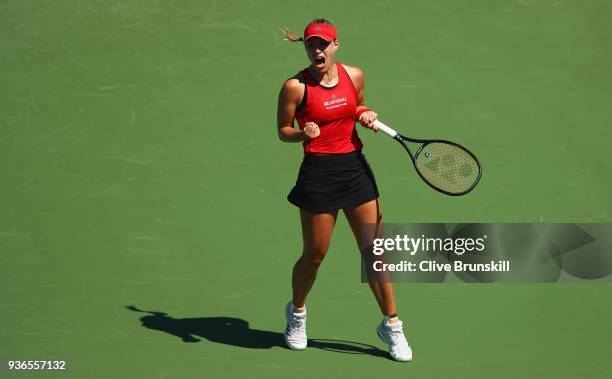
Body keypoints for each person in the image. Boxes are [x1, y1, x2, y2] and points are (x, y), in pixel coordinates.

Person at [276, 19, 412, 362]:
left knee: (374, 252)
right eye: (311, 45)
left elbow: (358, 107)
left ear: (336, 45)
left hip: (354, 169)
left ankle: (392, 325)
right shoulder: (295, 87)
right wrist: (302, 134)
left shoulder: (354, 75)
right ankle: (298, 313)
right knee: (315, 254)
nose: (317, 50)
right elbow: (282, 129)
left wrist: (366, 114)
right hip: (318, 174)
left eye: (323, 44)